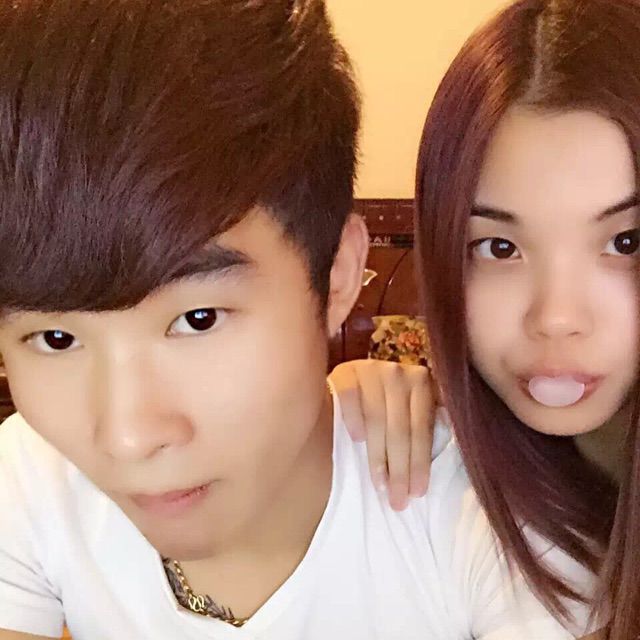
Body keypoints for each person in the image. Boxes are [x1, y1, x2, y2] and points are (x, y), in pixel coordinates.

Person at [0, 0, 594, 639]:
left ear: (337, 275)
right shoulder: (31, 476)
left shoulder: (488, 517)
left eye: (198, 319)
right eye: (55, 338)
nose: (128, 437)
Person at [337, 0, 640, 637]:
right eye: (499, 248)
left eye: (625, 242)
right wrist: (340, 425)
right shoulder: (437, 483)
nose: (555, 318)